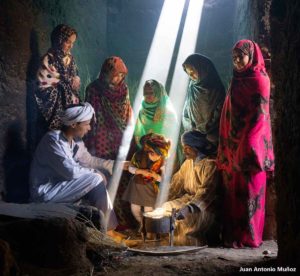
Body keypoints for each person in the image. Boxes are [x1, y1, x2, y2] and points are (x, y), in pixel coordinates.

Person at [29, 103, 128, 241]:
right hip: (47, 192)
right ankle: (109, 232)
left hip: (63, 187)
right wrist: (95, 173)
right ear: (74, 124)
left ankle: (105, 228)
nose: (89, 128)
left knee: (98, 176)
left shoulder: (76, 141)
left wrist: (119, 165)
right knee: (95, 178)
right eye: (87, 124)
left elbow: (90, 161)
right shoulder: (53, 140)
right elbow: (71, 173)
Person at [216, 39, 275, 248]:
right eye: (234, 58)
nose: (237, 61)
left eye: (240, 56)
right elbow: (229, 113)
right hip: (234, 145)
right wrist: (228, 145)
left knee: (251, 193)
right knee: (234, 194)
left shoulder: (260, 80)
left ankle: (251, 237)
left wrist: (247, 145)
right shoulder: (237, 79)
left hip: (252, 147)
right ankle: (235, 236)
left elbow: (260, 116)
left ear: (251, 56)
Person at [163, 130, 221, 245]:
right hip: (187, 199)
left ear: (197, 147)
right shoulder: (187, 163)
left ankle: (192, 242)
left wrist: (188, 208)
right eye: (183, 147)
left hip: (204, 206)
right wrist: (162, 200)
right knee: (165, 207)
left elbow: (206, 192)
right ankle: (175, 241)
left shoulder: (210, 164)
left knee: (188, 216)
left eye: (187, 147)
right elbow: (175, 185)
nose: (184, 151)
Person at [35, 24, 80, 133]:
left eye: (72, 43)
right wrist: (65, 83)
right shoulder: (48, 59)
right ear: (58, 40)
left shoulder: (70, 59)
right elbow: (43, 84)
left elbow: (74, 75)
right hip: (55, 108)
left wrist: (76, 78)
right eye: (68, 42)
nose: (71, 46)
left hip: (70, 106)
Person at [84, 56, 132, 159]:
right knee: (101, 160)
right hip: (101, 131)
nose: (119, 78)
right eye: (116, 75)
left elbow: (126, 109)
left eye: (122, 75)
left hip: (119, 131)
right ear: (107, 74)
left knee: (119, 160)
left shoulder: (124, 89)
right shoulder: (94, 89)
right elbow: (90, 115)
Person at [122, 133, 170, 225]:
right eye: (152, 153)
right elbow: (130, 168)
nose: (155, 157)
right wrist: (140, 171)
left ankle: (149, 227)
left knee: (149, 210)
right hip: (137, 186)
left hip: (151, 188)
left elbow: (164, 180)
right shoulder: (138, 155)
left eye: (158, 155)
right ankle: (143, 225)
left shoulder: (163, 162)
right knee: (135, 208)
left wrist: (156, 176)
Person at [182, 54, 225, 145]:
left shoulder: (215, 88)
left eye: (192, 72)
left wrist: (205, 128)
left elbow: (220, 111)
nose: (191, 76)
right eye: (188, 73)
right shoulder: (192, 87)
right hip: (194, 133)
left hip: (213, 134)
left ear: (202, 69)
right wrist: (190, 127)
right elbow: (186, 110)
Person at [134, 79, 177, 148]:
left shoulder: (168, 113)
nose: (148, 95)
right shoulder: (142, 110)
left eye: (151, 93)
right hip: (145, 150)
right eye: (145, 93)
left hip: (163, 151)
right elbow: (138, 132)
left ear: (158, 93)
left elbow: (172, 135)